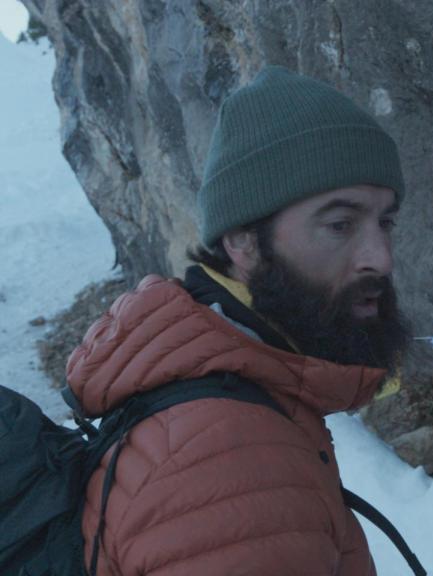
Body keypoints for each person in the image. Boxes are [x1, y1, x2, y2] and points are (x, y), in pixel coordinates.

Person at [64, 66, 410, 575]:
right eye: (340, 224)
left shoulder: (235, 386)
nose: (379, 257)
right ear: (243, 242)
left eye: (385, 221)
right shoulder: (227, 454)